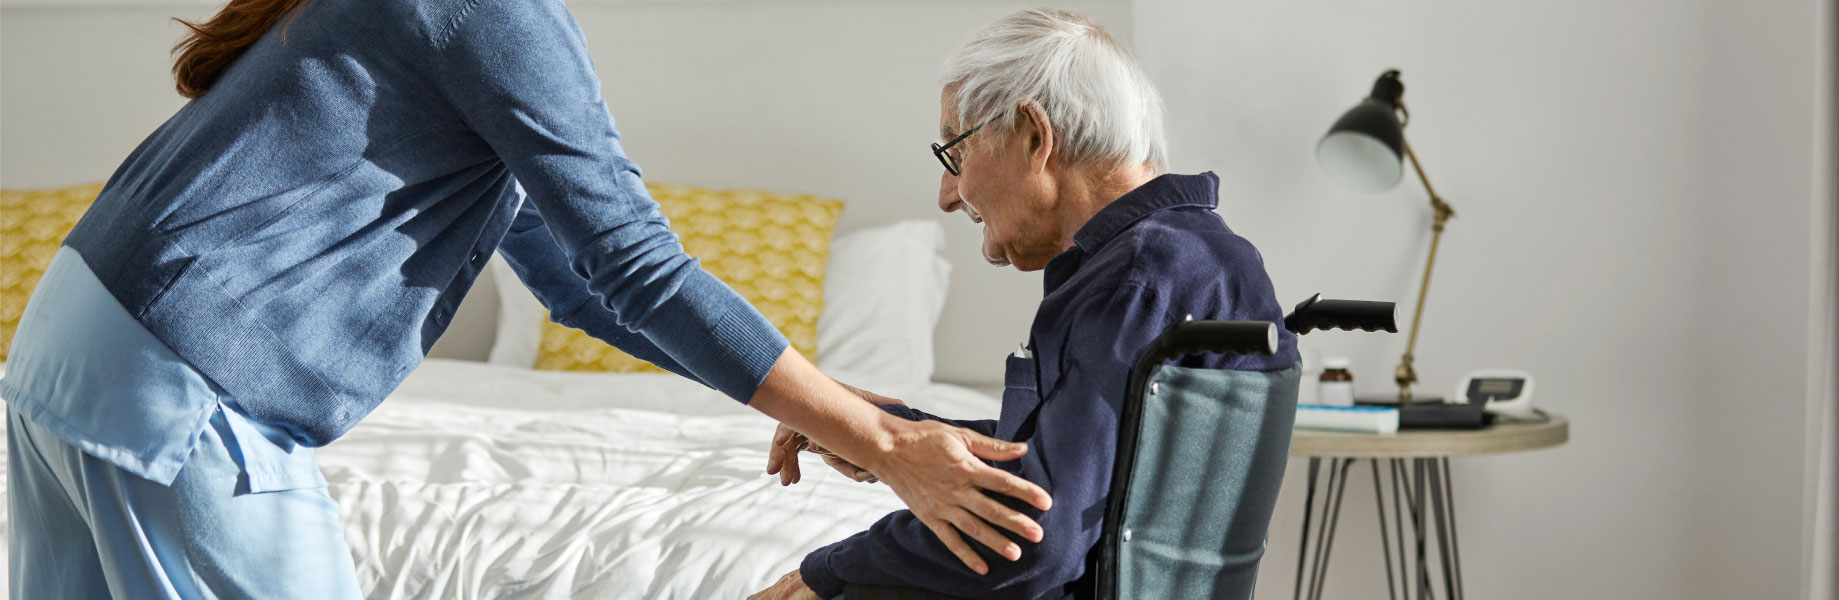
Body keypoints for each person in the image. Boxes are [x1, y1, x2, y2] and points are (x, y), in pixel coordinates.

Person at [0, 0, 1051, 597]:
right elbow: (637, 265)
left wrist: (827, 402)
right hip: (183, 382)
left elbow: (586, 286)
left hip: (71, 348)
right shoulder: (495, 13)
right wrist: (881, 441)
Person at [753, 9, 1300, 600]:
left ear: (1035, 136)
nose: (947, 196)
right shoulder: (1199, 256)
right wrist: (886, 432)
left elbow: (1032, 536)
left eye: (955, 154)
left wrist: (829, 571)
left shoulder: (1135, 279)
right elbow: (1080, 468)